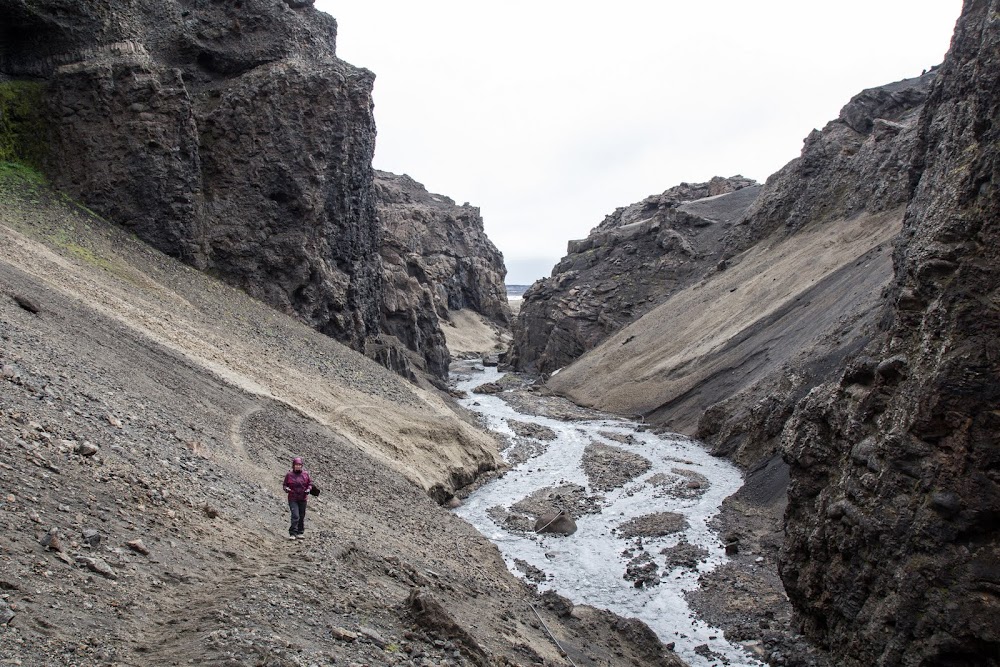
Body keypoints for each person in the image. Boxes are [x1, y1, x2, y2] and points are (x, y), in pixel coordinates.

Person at [282, 456, 312, 539]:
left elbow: (310, 484)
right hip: (293, 498)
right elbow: (284, 485)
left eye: (299, 465)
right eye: (296, 465)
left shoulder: (305, 474)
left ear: (302, 465)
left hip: (303, 498)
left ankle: (300, 532)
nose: (298, 466)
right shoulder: (289, 475)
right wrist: (286, 489)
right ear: (293, 465)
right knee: (295, 515)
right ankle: (292, 533)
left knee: (301, 516)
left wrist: (308, 489)